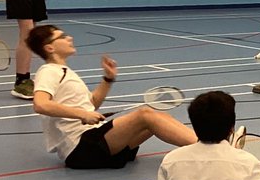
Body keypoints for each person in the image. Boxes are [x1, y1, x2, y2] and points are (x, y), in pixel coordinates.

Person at [26, 24, 198, 169]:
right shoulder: (48, 71)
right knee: (145, 115)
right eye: (62, 37)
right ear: (50, 48)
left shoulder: (65, 71)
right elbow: (41, 104)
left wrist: (108, 79)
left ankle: (206, 144)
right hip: (80, 147)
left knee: (159, 117)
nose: (69, 38)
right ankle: (206, 148)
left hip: (94, 142)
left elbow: (91, 105)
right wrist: (82, 114)